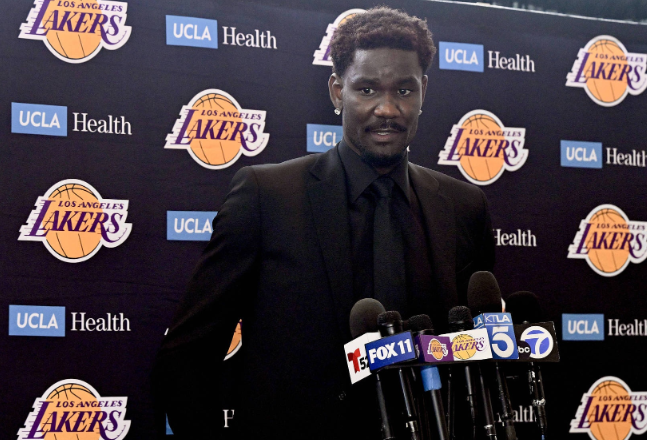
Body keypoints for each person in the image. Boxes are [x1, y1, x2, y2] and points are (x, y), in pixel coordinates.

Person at [153, 6, 494, 439]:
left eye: (404, 90)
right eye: (367, 89)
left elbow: (476, 354)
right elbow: (187, 356)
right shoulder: (266, 196)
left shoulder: (463, 206)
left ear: (423, 92)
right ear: (337, 92)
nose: (387, 108)